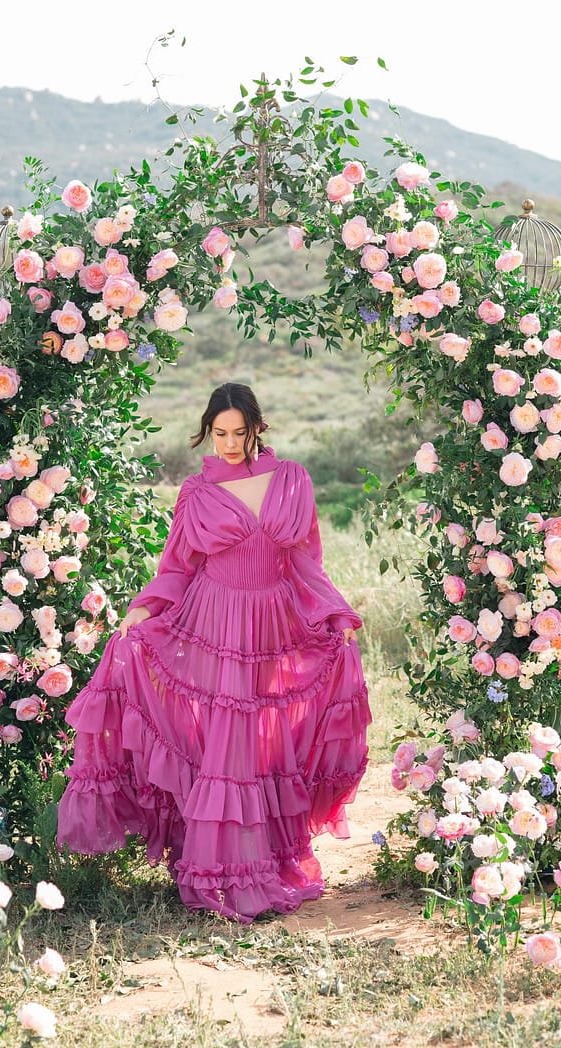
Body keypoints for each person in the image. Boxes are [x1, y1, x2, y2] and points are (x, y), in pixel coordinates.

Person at [58, 382, 371, 922]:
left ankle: (267, 861)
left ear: (257, 426)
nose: (228, 443)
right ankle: (222, 871)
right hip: (212, 622)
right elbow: (178, 567)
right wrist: (145, 610)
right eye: (218, 433)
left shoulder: (292, 479)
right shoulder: (197, 493)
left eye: (238, 432)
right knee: (226, 744)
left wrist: (335, 612)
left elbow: (305, 562)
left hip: (272, 622)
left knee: (263, 743)